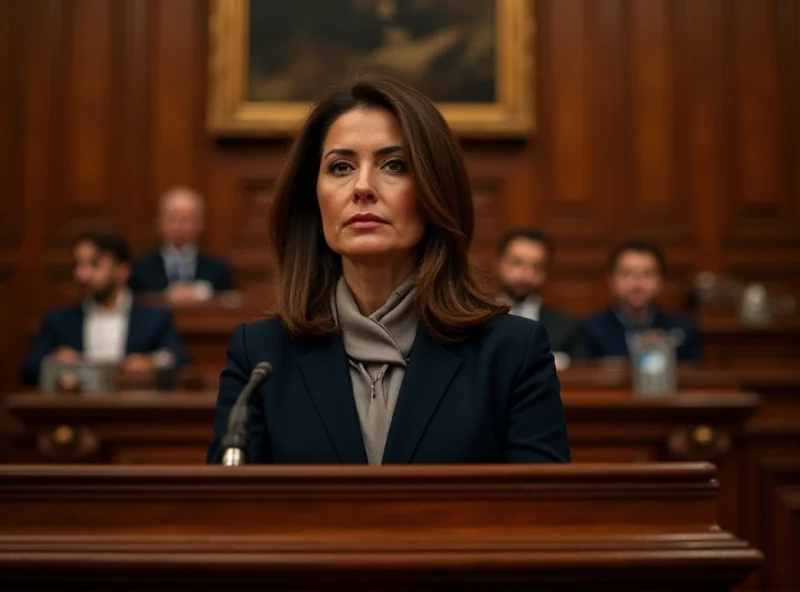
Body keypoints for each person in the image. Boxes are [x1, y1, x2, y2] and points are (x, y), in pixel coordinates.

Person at [207, 75, 569, 465]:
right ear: (313, 200)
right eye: (341, 167)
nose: (362, 187)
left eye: (394, 164)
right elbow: (233, 518)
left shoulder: (512, 352)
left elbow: (541, 516)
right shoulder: (261, 357)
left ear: (435, 191)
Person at [20, 230, 189, 386]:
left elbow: (180, 360)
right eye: (78, 264)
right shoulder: (59, 320)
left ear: (123, 270)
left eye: (94, 264)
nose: (82, 275)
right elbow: (29, 370)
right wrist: (54, 361)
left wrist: (151, 362)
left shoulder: (154, 318)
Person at [583, 240, 703, 362]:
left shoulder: (683, 330)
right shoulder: (590, 330)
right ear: (611, 280)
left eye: (647, 274)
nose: (637, 284)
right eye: (627, 274)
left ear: (661, 281)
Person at [497, 229, 585, 367]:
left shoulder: (567, 327)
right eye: (517, 263)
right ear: (498, 263)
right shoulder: (476, 321)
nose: (525, 275)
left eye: (536, 266)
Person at [128, 187, 234, 302]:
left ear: (200, 223)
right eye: (173, 217)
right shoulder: (140, 268)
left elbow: (228, 302)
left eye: (186, 218)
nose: (179, 225)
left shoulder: (218, 268)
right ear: (160, 221)